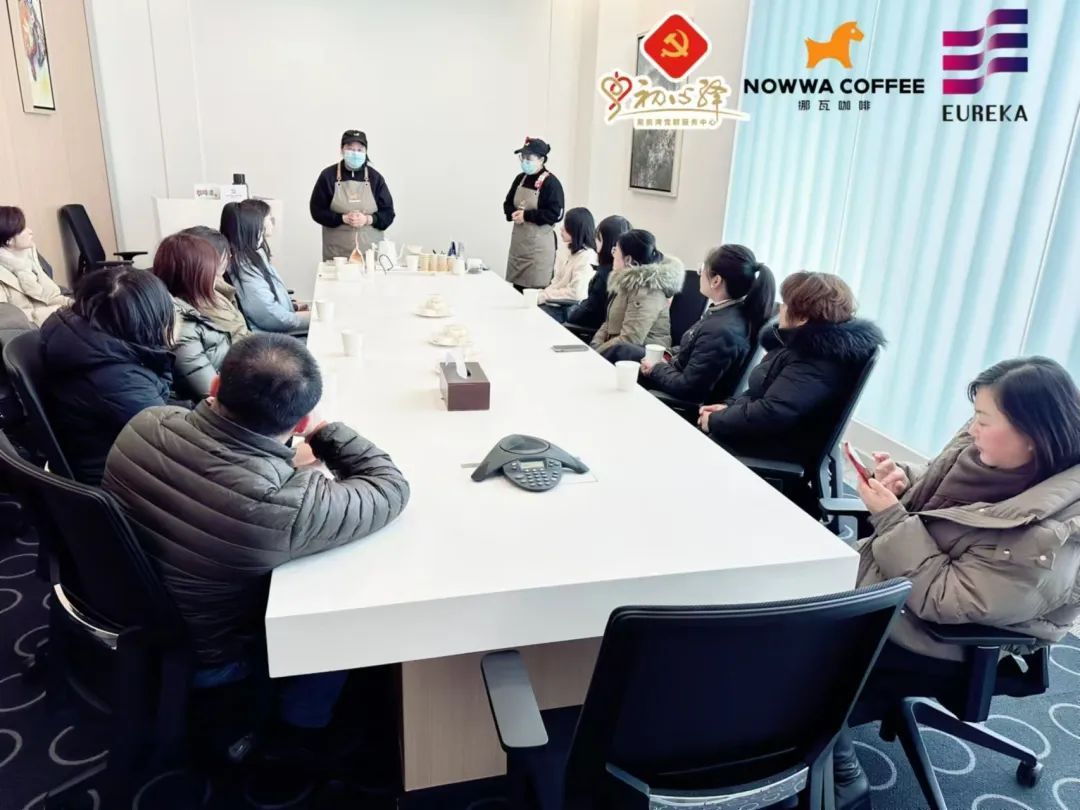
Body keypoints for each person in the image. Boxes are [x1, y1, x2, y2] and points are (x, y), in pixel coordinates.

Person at [102, 333, 410, 749]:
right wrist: (322, 432)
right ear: (299, 423)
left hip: (130, 615)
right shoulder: (285, 504)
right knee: (340, 599)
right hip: (214, 656)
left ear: (215, 386)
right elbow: (389, 487)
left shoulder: (146, 423)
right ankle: (299, 729)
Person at [831, 356, 1080, 810]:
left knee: (800, 648)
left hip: (942, 636)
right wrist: (905, 482)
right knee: (787, 598)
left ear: (1033, 434)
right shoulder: (993, 454)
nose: (973, 428)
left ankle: (841, 772)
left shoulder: (1051, 534)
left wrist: (891, 518)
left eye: (984, 420)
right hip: (898, 585)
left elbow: (944, 599)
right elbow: (951, 510)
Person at [698, 271, 885, 472]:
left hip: (770, 449)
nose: (781, 308)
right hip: (760, 435)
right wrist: (727, 408)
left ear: (802, 317)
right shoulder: (797, 345)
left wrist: (717, 421)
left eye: (785, 303)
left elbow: (771, 413)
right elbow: (760, 393)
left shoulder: (817, 360)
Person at [40, 266, 175, 485]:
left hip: (110, 454)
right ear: (144, 320)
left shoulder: (82, 338)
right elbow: (170, 441)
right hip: (118, 479)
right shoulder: (116, 378)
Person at [640, 245, 776, 404]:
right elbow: (694, 347)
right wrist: (667, 356)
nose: (700, 274)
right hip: (674, 371)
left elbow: (689, 388)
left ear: (716, 280)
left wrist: (656, 369)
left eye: (703, 268)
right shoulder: (726, 313)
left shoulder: (722, 330)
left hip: (680, 401)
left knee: (625, 355)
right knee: (625, 351)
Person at [152, 232, 249, 400]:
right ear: (195, 275)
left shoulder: (193, 309)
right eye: (212, 271)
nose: (216, 277)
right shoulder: (181, 328)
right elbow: (212, 393)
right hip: (226, 402)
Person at [590, 229, 684, 359]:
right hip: (616, 351)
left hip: (643, 358)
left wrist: (595, 355)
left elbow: (630, 340)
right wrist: (594, 347)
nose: (613, 255)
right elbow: (608, 324)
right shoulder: (627, 285)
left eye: (615, 250)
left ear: (628, 259)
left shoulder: (647, 291)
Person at [221, 201, 309, 333]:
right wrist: (313, 318)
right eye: (268, 218)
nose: (272, 222)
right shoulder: (245, 268)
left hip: (279, 328)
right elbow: (271, 318)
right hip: (270, 338)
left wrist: (293, 306)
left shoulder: (255, 255)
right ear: (256, 225)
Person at [309, 129, 396, 261]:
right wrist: (342, 218)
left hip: (370, 257)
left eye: (359, 150)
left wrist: (368, 219)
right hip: (336, 256)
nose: (355, 153)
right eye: (350, 149)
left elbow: (388, 214)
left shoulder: (375, 178)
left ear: (366, 152)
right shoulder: (328, 176)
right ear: (342, 150)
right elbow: (317, 211)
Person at [503, 137, 565, 291]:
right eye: (522, 157)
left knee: (534, 295)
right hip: (520, 246)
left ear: (541, 160)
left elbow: (556, 214)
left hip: (538, 251)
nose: (525, 161)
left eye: (529, 158)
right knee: (516, 291)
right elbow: (507, 203)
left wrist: (527, 216)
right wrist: (513, 213)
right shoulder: (520, 179)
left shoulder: (551, 183)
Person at [0, 206, 70, 326]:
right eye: (22, 229)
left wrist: (72, 304)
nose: (30, 231)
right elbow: (7, 320)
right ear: (9, 240)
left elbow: (50, 296)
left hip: (54, 322)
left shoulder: (29, 257)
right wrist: (57, 312)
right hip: (29, 332)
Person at [565, 215, 631, 331]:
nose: (595, 241)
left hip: (591, 329)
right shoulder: (623, 272)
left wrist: (571, 312)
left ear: (608, 243)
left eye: (599, 238)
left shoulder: (605, 275)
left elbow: (590, 313)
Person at [538, 207, 598, 322]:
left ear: (576, 229)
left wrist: (543, 296)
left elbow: (576, 294)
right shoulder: (565, 249)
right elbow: (556, 282)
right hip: (554, 303)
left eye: (566, 225)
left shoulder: (588, 257)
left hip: (569, 309)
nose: (561, 228)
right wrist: (541, 294)